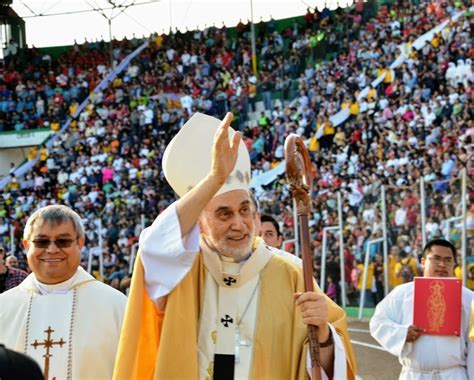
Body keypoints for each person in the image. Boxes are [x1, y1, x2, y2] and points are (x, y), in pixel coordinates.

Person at [114, 112, 356, 379]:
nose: (239, 223)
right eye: (224, 214)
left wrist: (323, 334)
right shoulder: (180, 270)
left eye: (244, 210)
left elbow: (330, 367)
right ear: (200, 221)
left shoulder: (291, 272)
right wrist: (215, 178)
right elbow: (153, 247)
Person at [0, 205, 127, 379]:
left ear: (80, 243)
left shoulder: (117, 306)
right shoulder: (3, 306)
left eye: (63, 241)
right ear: (26, 245)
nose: (52, 249)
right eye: (41, 241)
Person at [370, 239, 473, 379]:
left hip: (453, 374)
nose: (442, 265)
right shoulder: (402, 293)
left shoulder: (468, 298)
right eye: (436, 259)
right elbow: (378, 322)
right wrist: (402, 333)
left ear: (454, 264)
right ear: (423, 261)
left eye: (448, 260)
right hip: (414, 374)